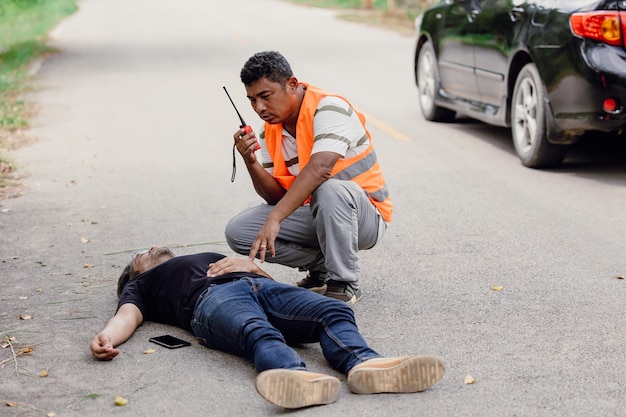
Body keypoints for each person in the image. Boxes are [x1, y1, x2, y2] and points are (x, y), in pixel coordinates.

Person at [91, 246, 445, 409]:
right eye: (141, 253)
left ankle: (364, 364)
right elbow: (127, 316)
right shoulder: (144, 284)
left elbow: (266, 277)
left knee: (330, 311)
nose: (152, 247)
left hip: (262, 287)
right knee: (256, 330)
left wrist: (250, 264)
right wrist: (107, 336)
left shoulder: (205, 255)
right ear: (135, 273)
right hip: (210, 301)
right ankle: (292, 376)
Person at [225, 51, 393, 306]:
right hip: (319, 215)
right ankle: (322, 266)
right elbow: (277, 198)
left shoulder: (329, 108)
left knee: (329, 190)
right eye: (252, 100)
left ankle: (345, 282)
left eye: (265, 96)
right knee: (239, 231)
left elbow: (320, 168)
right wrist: (251, 162)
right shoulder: (269, 131)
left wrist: (275, 218)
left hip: (364, 218)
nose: (259, 108)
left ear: (291, 85)